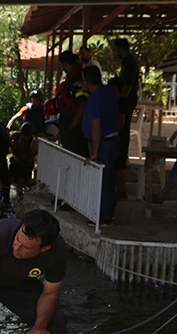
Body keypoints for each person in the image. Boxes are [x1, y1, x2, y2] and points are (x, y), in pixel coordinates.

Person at [81, 65, 120, 227]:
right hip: (114, 139)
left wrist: (95, 152)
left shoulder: (95, 99)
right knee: (110, 177)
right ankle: (110, 211)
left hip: (102, 144)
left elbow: (96, 128)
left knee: (103, 180)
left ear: (86, 82)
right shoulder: (110, 91)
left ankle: (105, 215)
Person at [114, 38, 140, 200]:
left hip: (127, 100)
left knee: (122, 135)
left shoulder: (130, 63)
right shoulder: (127, 62)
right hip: (125, 99)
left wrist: (122, 97)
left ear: (121, 49)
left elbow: (129, 83)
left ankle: (121, 189)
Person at [55, 51, 88, 157]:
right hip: (69, 126)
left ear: (64, 64)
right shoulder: (72, 78)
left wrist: (71, 127)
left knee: (74, 158)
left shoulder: (76, 80)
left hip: (74, 130)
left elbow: (82, 106)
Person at [9, 122, 40, 196]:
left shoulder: (34, 143)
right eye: (23, 135)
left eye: (27, 136)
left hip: (26, 165)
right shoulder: (15, 136)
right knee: (10, 180)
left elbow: (37, 154)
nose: (25, 138)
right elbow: (7, 141)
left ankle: (20, 197)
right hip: (15, 161)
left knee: (20, 182)